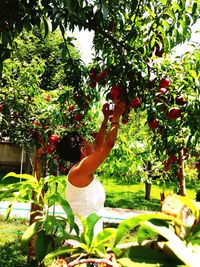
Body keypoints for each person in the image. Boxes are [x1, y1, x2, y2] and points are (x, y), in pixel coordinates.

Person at [57, 100, 126, 235]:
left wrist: (106, 119)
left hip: (88, 240)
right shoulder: (80, 170)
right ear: (83, 149)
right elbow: (107, 145)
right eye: (87, 141)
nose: (91, 142)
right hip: (78, 241)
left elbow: (97, 145)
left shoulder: (82, 169)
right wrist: (116, 118)